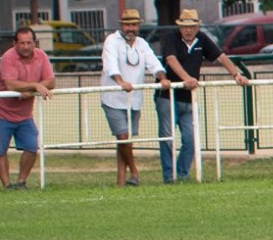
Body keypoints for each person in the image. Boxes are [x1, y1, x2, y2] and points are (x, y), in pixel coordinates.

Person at [156, 10, 250, 184]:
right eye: (185, 27)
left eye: (192, 26)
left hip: (189, 98)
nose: (189, 30)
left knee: (191, 139)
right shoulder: (171, 38)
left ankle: (182, 175)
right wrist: (187, 79)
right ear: (179, 26)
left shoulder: (202, 39)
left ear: (198, 26)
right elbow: (171, 59)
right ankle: (169, 177)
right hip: (168, 97)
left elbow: (220, 56)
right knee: (167, 138)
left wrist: (236, 75)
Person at [100, 10, 165, 187]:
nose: (131, 28)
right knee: (123, 137)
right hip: (113, 98)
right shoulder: (112, 41)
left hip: (134, 100)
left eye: (134, 25)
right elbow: (110, 64)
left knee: (125, 140)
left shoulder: (142, 43)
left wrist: (162, 77)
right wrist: (120, 81)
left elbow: (154, 63)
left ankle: (121, 180)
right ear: (121, 25)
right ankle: (135, 172)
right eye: (128, 24)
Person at [0, 26, 53, 190]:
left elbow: (51, 81)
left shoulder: (41, 56)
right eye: (22, 43)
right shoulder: (7, 58)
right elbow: (11, 84)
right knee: (0, 150)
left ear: (34, 43)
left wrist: (30, 90)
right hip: (0, 111)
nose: (25, 46)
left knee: (32, 147)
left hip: (24, 114)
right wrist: (34, 86)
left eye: (29, 43)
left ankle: (21, 181)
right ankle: (7, 185)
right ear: (14, 43)